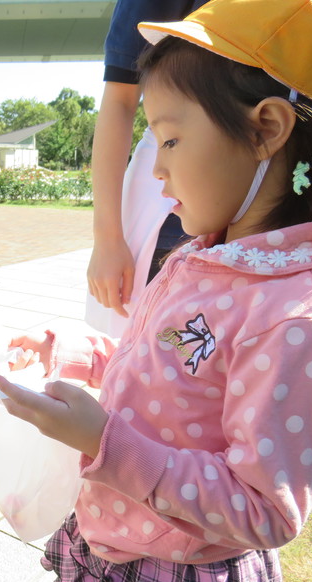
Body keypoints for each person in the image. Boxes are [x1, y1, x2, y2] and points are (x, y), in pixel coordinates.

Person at [0, 0, 312, 582]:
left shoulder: (301, 319)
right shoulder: (203, 257)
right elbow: (164, 372)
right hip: (112, 547)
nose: (155, 170)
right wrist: (73, 353)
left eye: (168, 140)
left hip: (179, 577)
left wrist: (103, 443)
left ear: (266, 128)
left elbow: (264, 508)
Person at [86, 0, 207, 338]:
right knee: (159, 351)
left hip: (301, 191)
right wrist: (108, 238)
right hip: (176, 208)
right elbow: (121, 97)